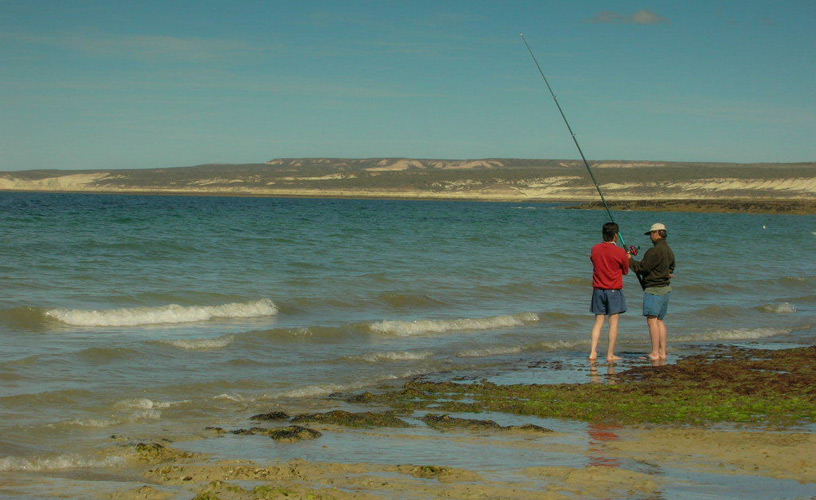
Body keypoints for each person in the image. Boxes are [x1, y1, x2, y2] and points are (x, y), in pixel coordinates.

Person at [629, 222, 675, 360]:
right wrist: (666, 273)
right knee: (659, 320)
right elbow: (672, 267)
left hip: (654, 289)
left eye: (652, 234)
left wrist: (630, 260)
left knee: (652, 320)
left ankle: (655, 353)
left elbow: (642, 268)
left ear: (658, 233)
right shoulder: (668, 249)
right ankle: (662, 352)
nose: (650, 237)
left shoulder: (654, 251)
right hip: (665, 289)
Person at [589, 222, 630, 362]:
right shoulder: (620, 252)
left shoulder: (595, 249)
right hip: (613, 290)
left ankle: (593, 352)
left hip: (598, 290)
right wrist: (627, 258)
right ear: (616, 236)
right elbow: (625, 270)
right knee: (613, 323)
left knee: (598, 322)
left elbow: (594, 261)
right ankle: (610, 354)